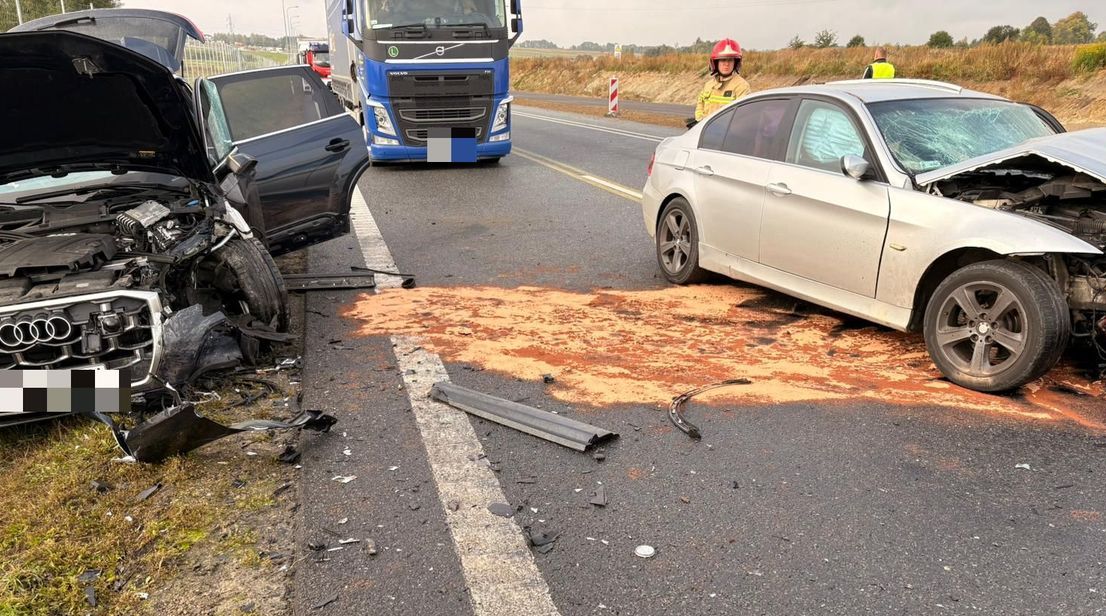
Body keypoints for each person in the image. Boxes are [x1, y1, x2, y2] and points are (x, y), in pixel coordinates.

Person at [694, 39, 751, 123]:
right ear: (716, 63)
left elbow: (741, 116)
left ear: (736, 63)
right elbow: (700, 103)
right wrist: (700, 120)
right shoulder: (708, 85)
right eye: (723, 59)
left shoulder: (742, 86)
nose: (726, 64)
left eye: (730, 60)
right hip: (705, 130)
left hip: (727, 133)